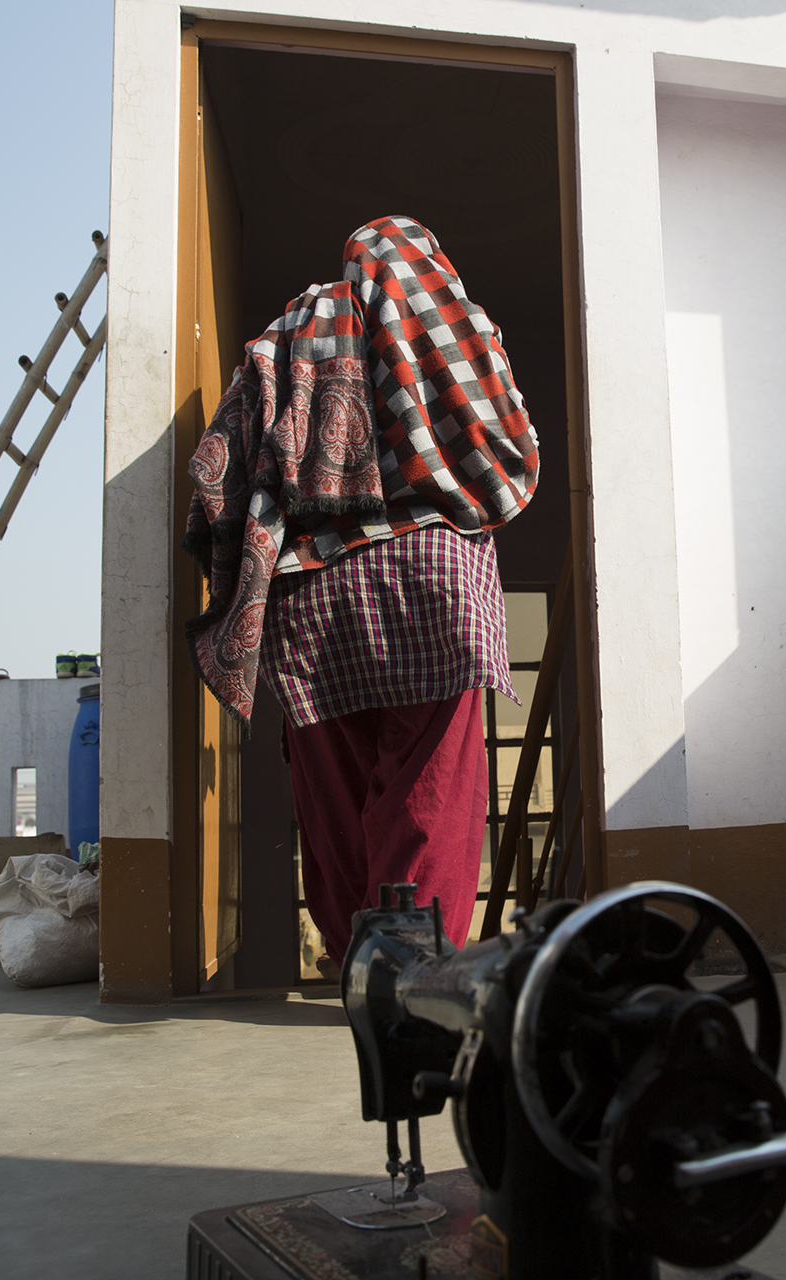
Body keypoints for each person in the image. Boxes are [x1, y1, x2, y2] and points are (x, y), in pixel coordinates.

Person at [183, 216, 539, 977]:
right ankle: (415, 968)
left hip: (312, 589)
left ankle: (358, 965)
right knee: (433, 787)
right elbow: (510, 446)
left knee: (332, 796)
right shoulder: (460, 326)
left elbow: (221, 463)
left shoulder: (286, 336)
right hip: (436, 581)